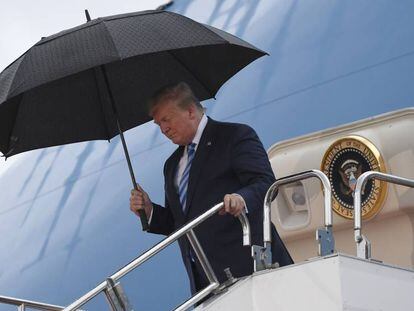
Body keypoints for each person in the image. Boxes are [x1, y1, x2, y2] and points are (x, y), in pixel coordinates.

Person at [130, 82, 293, 294]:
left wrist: (240, 199)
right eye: (158, 124)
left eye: (166, 120)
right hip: (207, 285)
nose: (163, 130)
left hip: (253, 271)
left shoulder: (234, 136)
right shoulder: (171, 165)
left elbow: (265, 183)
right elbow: (179, 222)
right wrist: (150, 210)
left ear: (189, 111)